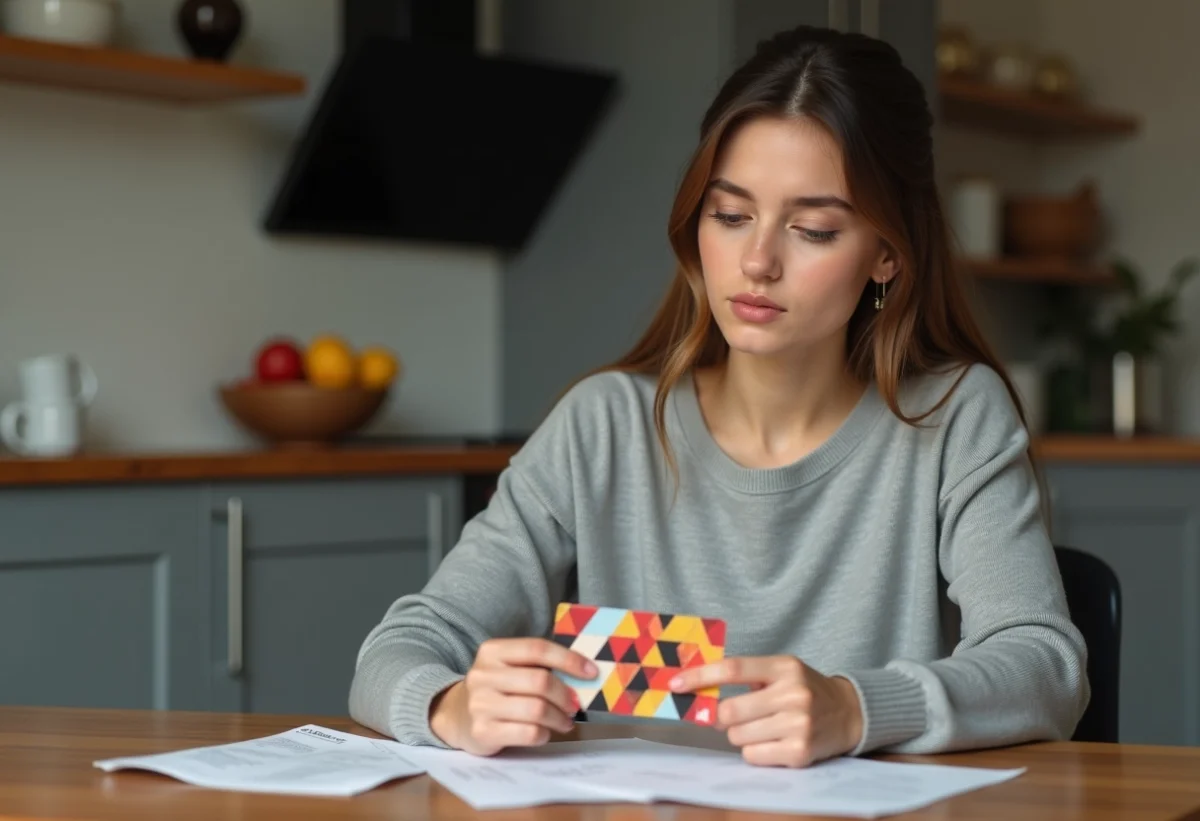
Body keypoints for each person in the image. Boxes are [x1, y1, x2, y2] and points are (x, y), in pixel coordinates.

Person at [348, 24, 1089, 768]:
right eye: (730, 216)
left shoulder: (954, 415)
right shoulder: (602, 425)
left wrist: (856, 706)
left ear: (887, 254)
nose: (758, 260)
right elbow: (401, 647)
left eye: (813, 229)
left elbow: (1044, 665)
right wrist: (449, 704)